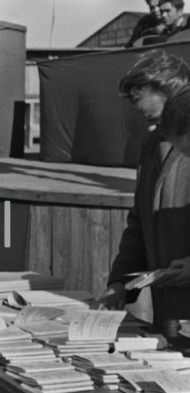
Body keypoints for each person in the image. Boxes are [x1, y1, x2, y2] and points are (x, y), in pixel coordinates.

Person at [99, 50, 190, 343]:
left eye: (159, 119)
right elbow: (140, 221)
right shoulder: (153, 142)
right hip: (169, 310)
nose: (153, 128)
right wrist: (120, 282)